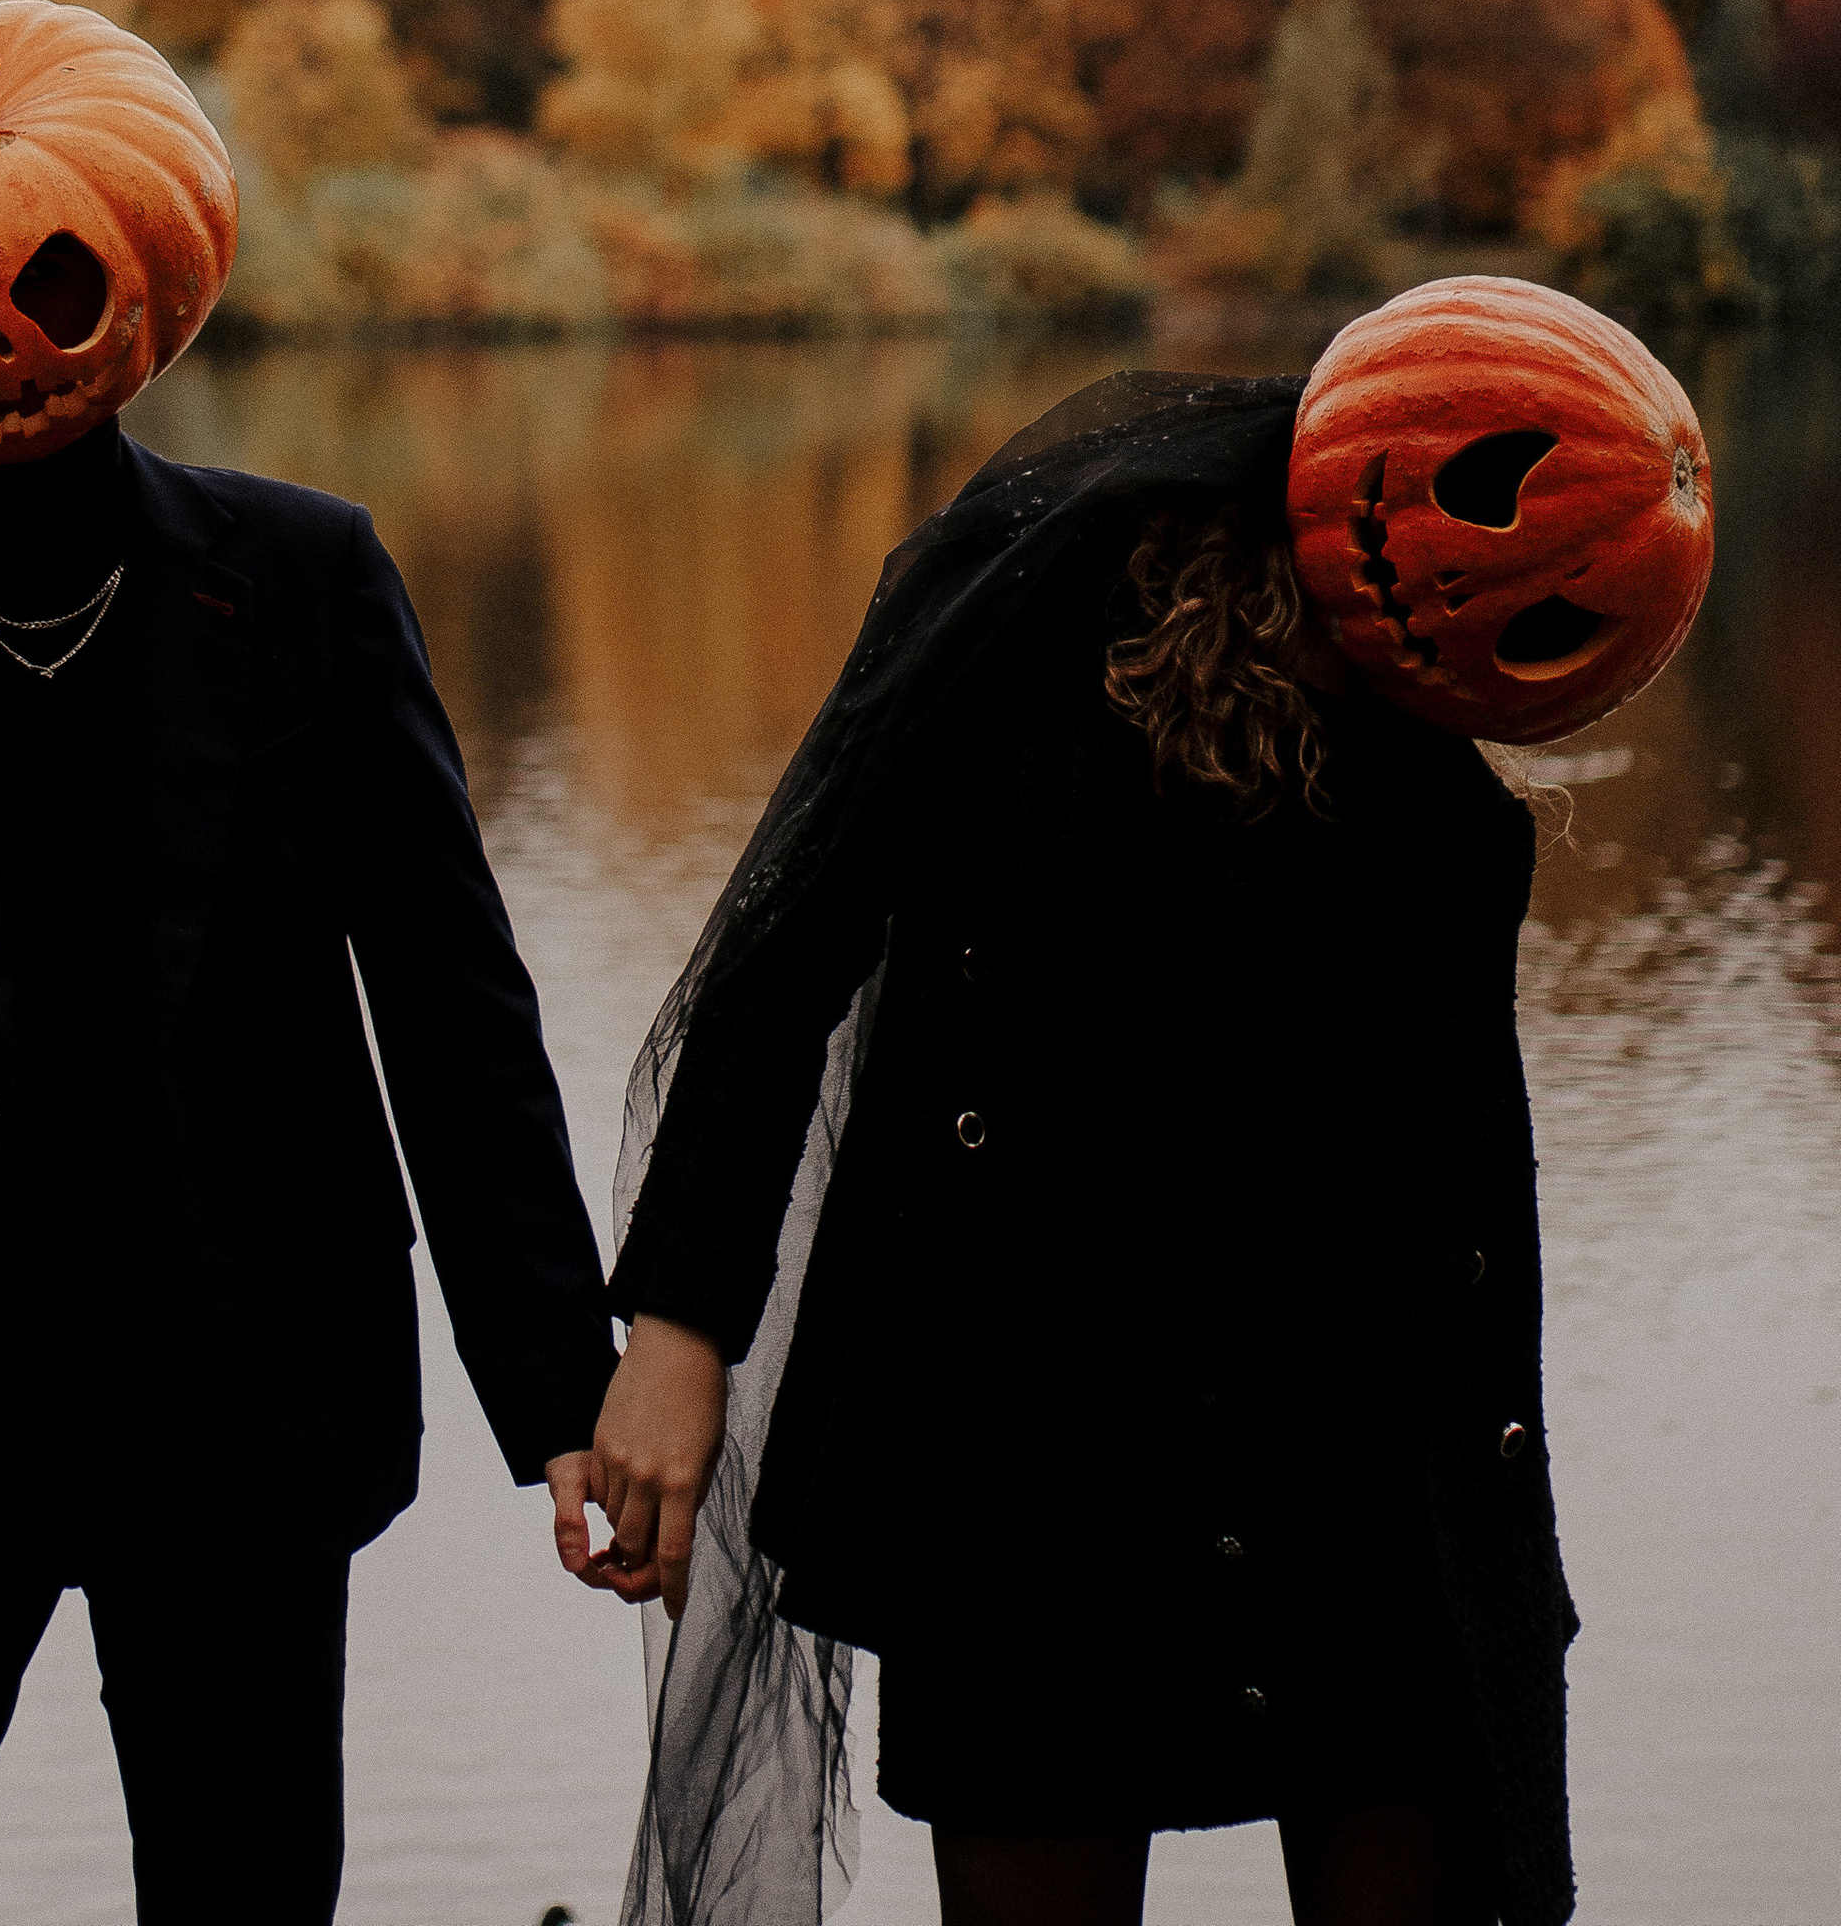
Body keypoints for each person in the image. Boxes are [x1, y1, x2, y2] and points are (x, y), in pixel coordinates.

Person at [0, 4, 617, 1925]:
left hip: (239, 1412)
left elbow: (454, 1007)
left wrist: (562, 1386)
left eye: (50, 285)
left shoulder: (308, 582)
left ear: (149, 276)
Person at [576, 366, 1594, 1926]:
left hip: (1362, 1480)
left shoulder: (1441, 773)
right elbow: (782, 961)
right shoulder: (1030, 647)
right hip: (1027, 1464)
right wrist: (680, 1327)